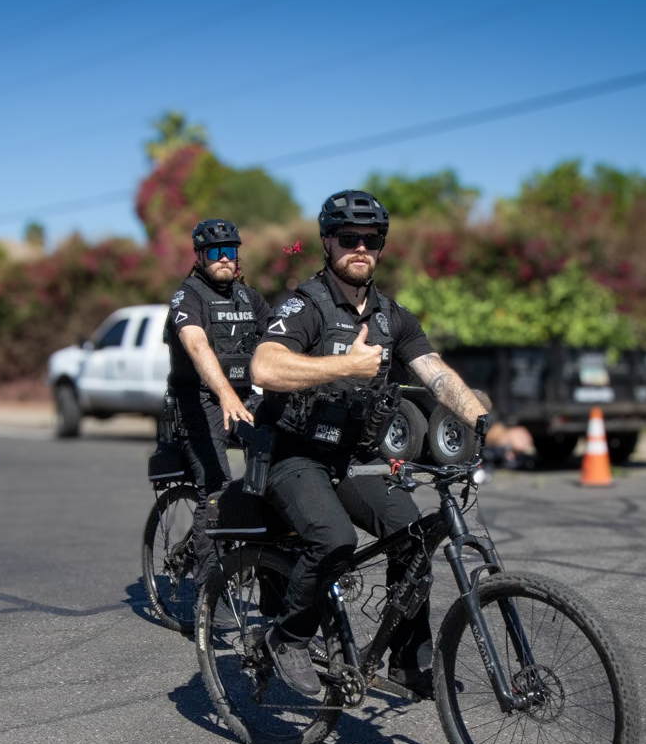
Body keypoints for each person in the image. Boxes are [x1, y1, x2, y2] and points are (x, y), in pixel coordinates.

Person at [250, 190, 532, 699]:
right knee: (332, 538)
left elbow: (436, 375)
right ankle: (287, 637)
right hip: (293, 454)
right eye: (349, 238)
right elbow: (265, 367)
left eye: (371, 239)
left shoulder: (390, 317)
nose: (361, 248)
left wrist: (487, 421)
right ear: (327, 243)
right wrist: (344, 365)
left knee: (414, 536)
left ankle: (406, 660)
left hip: (353, 458)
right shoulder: (305, 306)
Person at [163, 218, 274, 579]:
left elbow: (279, 342)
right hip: (198, 403)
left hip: (241, 398)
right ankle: (209, 593)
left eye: (230, 251)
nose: (224, 259)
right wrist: (224, 392)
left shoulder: (248, 296)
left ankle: (266, 560)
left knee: (284, 462)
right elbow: (196, 344)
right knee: (216, 488)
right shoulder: (188, 296)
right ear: (200, 256)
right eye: (215, 252)